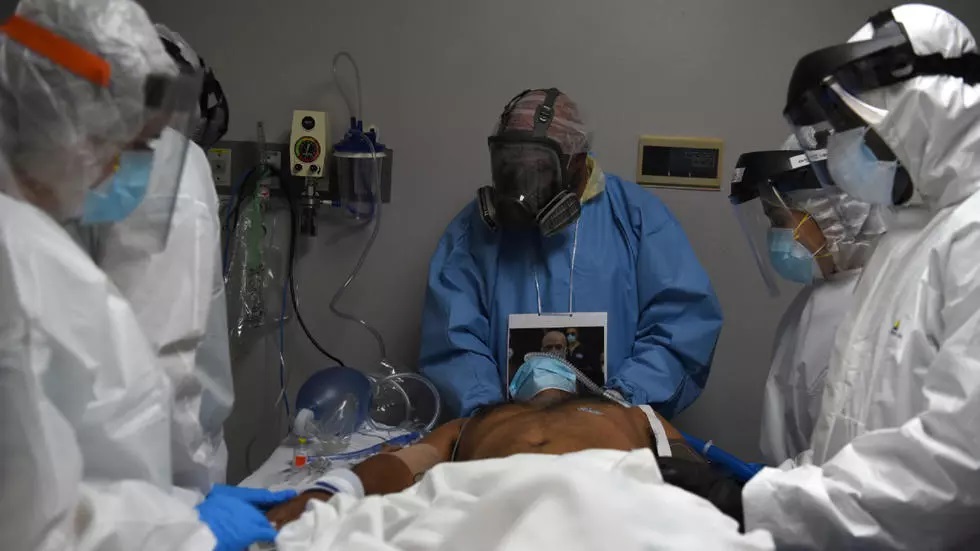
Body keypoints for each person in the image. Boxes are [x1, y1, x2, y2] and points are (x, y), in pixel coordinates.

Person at [0, 1, 292, 549]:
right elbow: (32, 526)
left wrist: (178, 510)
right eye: (130, 146)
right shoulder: (16, 258)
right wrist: (185, 530)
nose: (127, 169)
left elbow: (57, 483)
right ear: (61, 121)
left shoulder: (31, 238)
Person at [742, 5, 980, 548]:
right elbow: (844, 435)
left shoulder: (971, 233)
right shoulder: (901, 244)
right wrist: (764, 490)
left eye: (858, 130)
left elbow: (960, 466)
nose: (847, 151)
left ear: (922, 111)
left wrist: (761, 503)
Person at [420, 88, 723, 418]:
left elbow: (682, 325)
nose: (521, 186)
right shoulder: (474, 231)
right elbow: (452, 342)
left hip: (616, 432)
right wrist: (491, 417)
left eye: (538, 170)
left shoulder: (638, 218)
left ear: (577, 162)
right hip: (504, 439)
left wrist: (625, 399)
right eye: (510, 167)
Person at [265, 356, 772, 549]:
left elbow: (688, 473)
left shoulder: (634, 414)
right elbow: (403, 464)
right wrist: (328, 492)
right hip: (479, 500)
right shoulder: (473, 422)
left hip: (607, 493)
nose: (540, 373)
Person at [66, 24, 235, 495]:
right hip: (136, 487)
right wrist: (185, 498)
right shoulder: (166, 169)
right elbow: (165, 367)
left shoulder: (45, 163)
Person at [729, 143, 886, 465]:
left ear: (837, 219)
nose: (776, 235)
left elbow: (847, 459)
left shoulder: (866, 311)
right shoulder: (820, 298)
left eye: (780, 219)